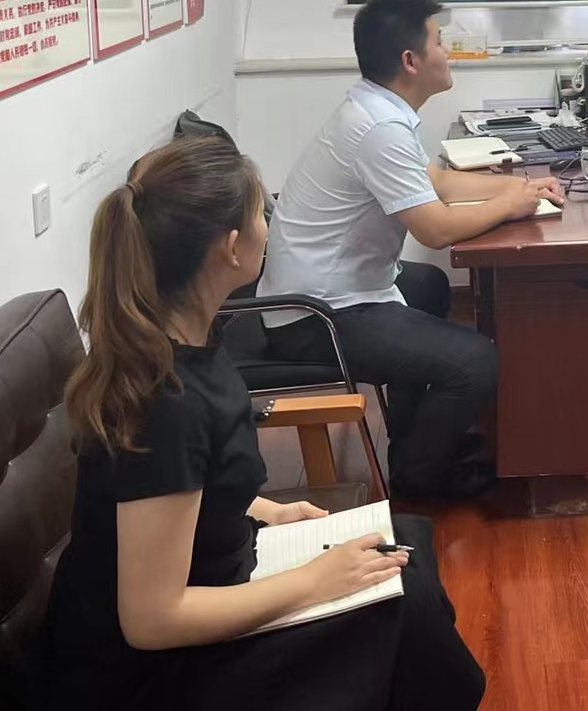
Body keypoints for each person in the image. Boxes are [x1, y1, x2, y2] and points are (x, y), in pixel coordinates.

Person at [34, 137, 486, 711]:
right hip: (150, 676)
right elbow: (151, 620)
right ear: (231, 247)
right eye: (261, 214)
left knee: (404, 544)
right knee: (404, 600)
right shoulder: (165, 402)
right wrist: (313, 581)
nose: (269, 228)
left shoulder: (186, 346)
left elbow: (185, 488)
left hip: (210, 593)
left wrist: (265, 510)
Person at [259, 0, 564, 499]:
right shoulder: (378, 127)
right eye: (440, 42)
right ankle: (420, 477)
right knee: (476, 361)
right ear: (410, 60)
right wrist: (510, 206)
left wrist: (520, 187)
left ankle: (415, 440)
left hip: (327, 289)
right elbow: (436, 229)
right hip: (315, 316)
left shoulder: (376, 109)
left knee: (430, 286)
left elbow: (435, 182)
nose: (449, 51)